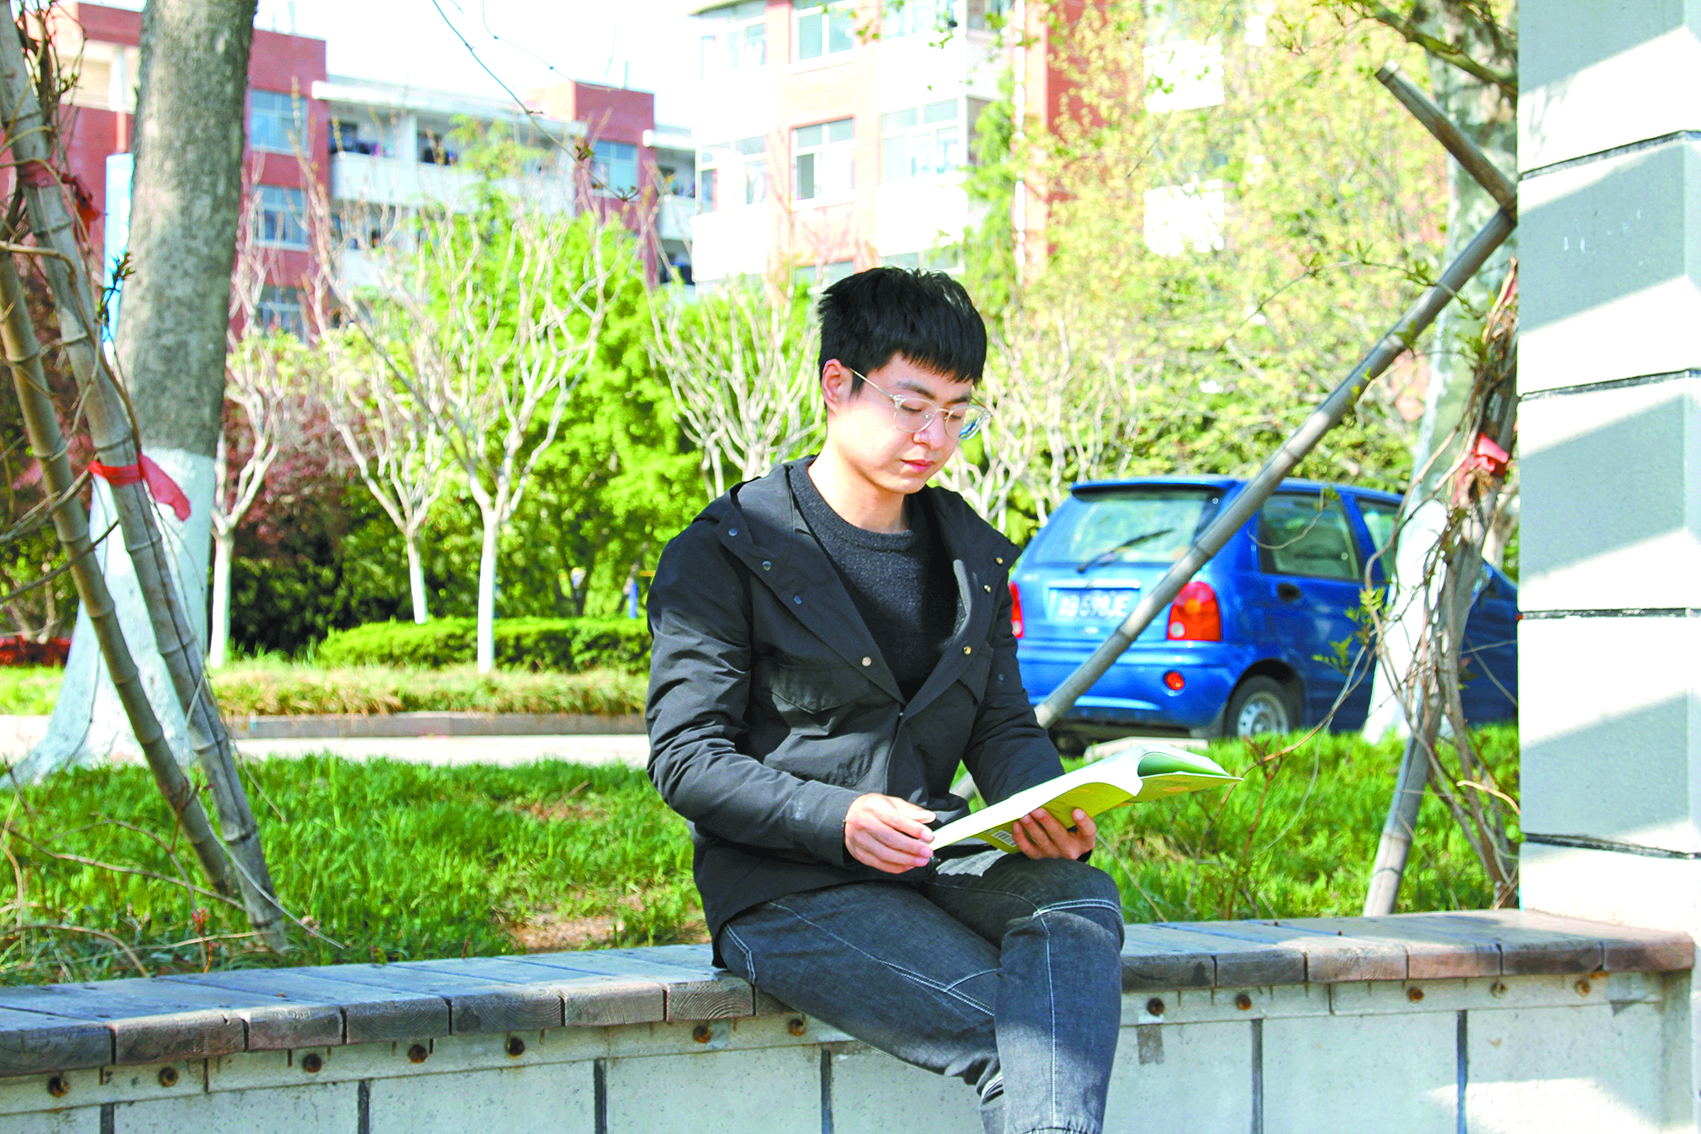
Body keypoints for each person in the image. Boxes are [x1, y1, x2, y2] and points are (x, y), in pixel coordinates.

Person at [645, 268, 1123, 1134]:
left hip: (933, 854)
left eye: (958, 412)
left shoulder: (970, 553)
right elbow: (687, 759)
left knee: (1077, 900)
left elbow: (999, 723)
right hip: (785, 888)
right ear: (838, 384)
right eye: (911, 405)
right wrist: (836, 817)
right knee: (1025, 1036)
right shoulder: (723, 553)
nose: (935, 436)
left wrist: (1044, 803)